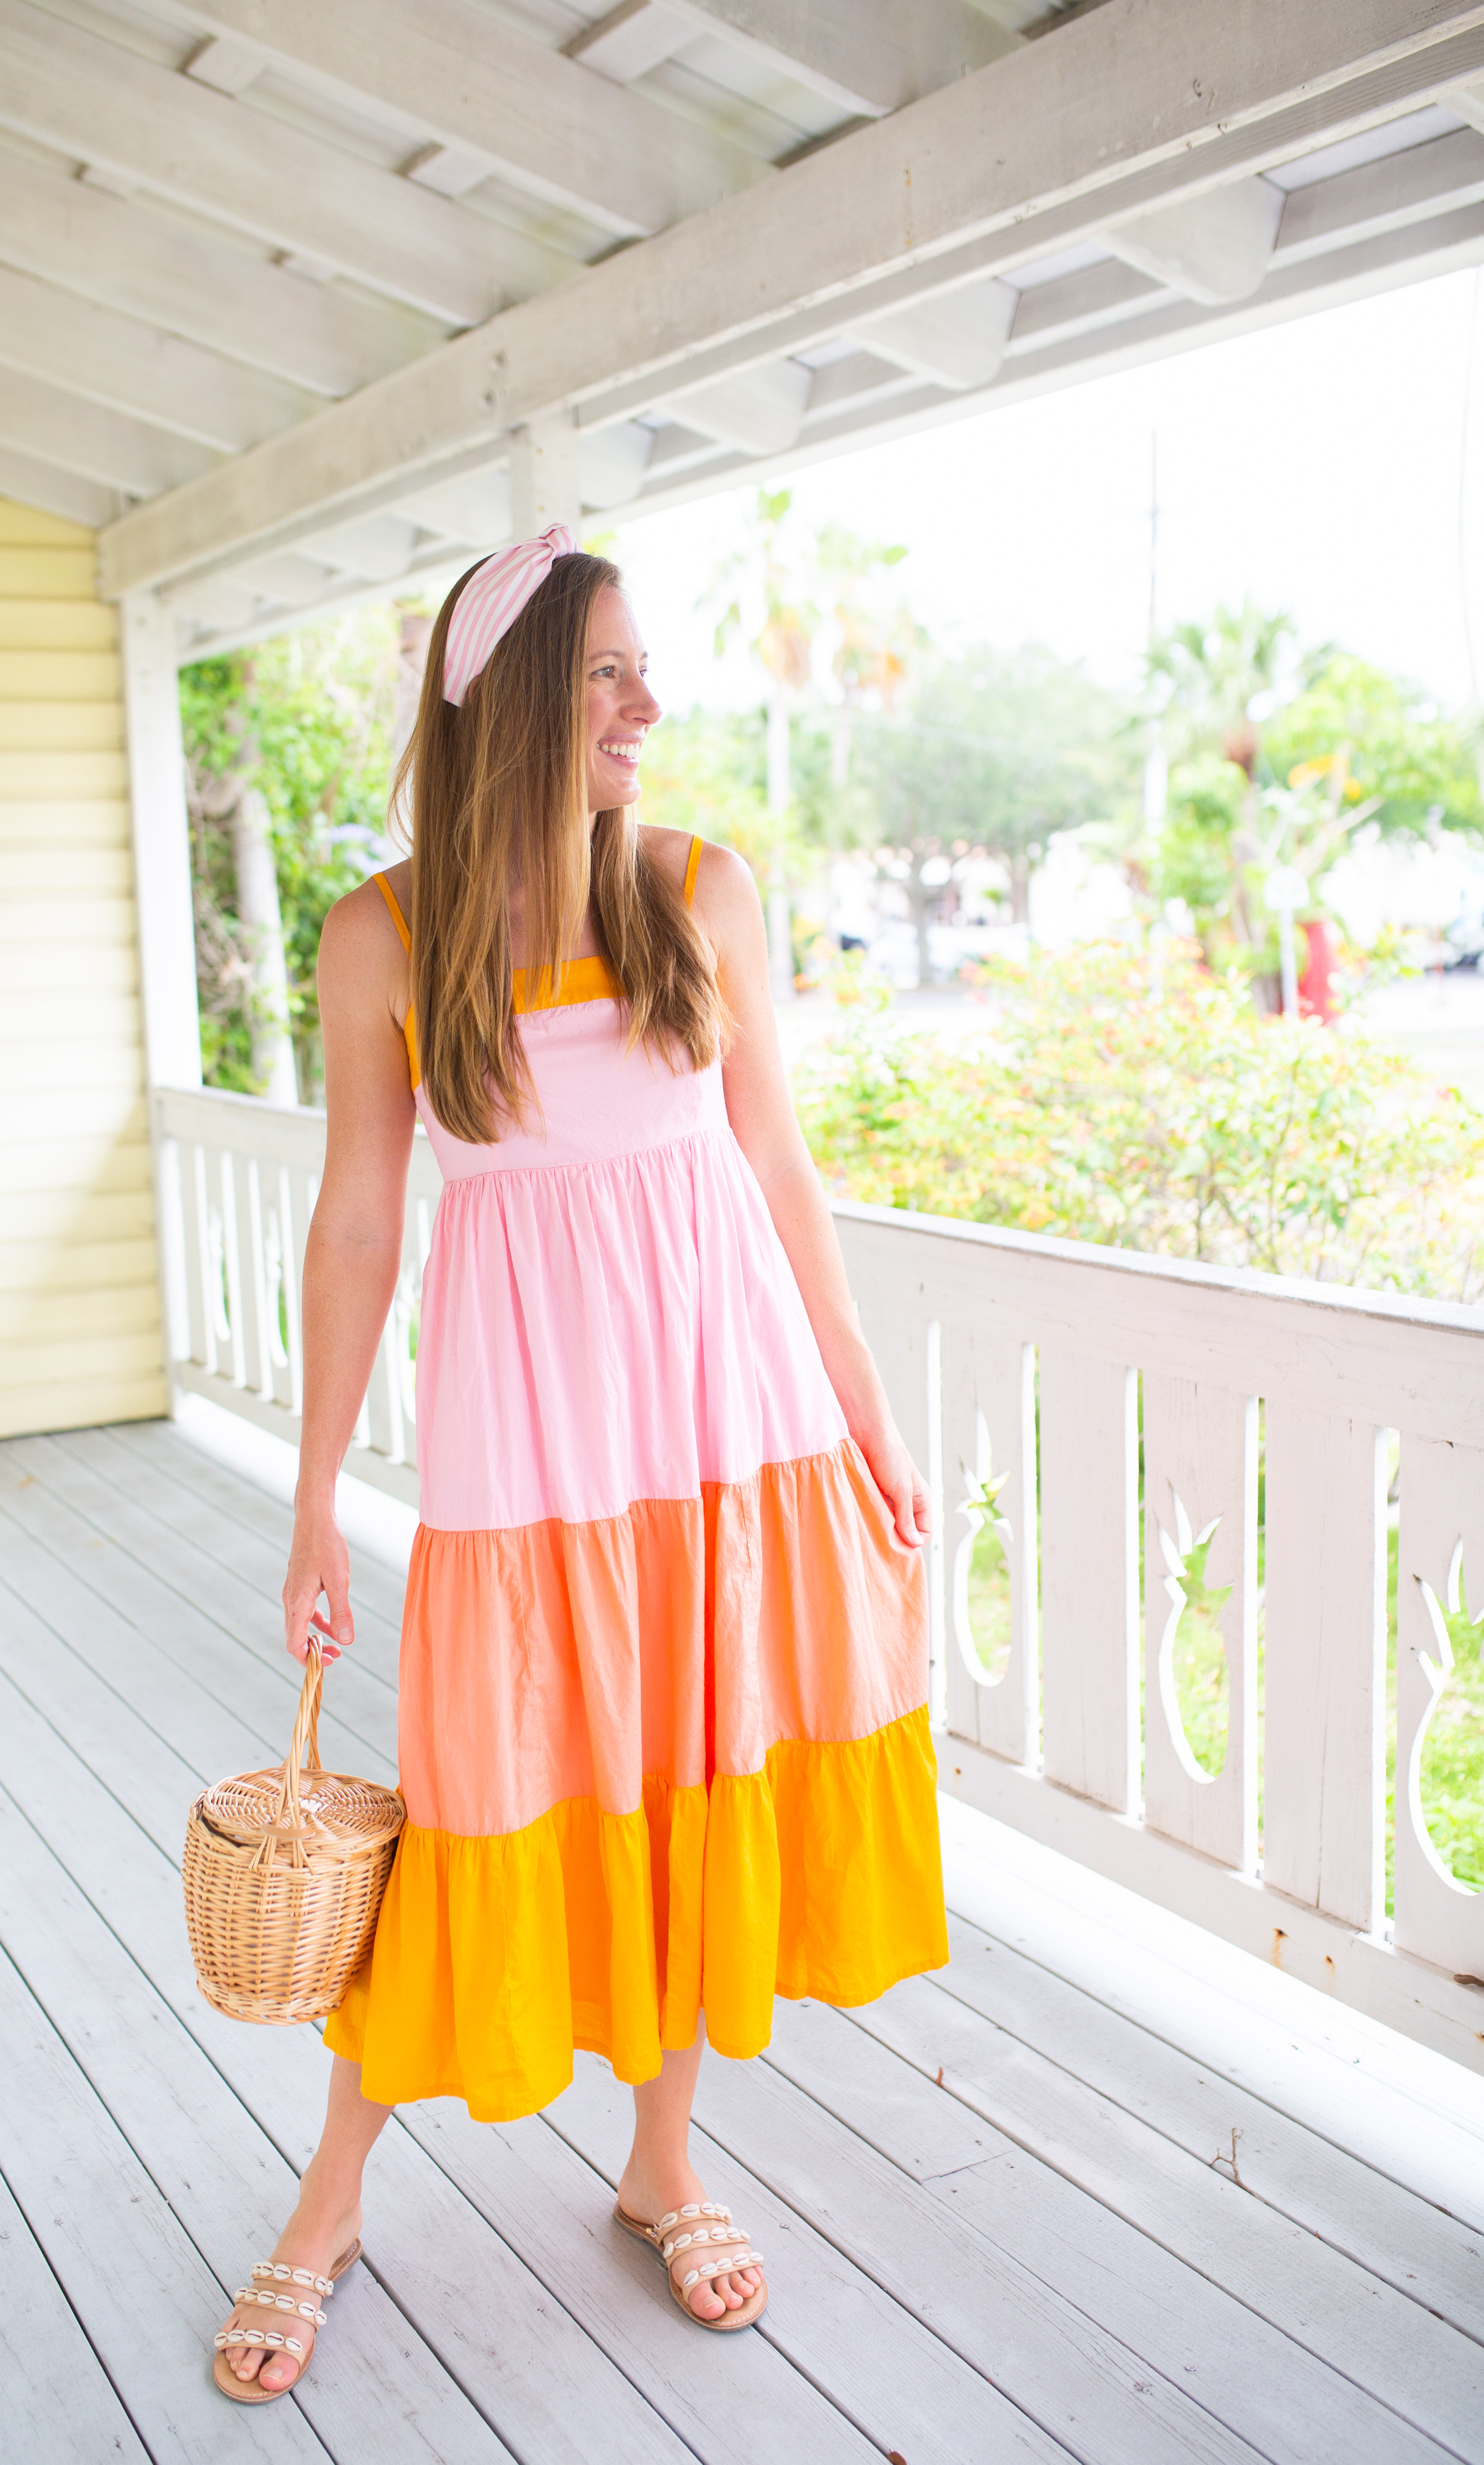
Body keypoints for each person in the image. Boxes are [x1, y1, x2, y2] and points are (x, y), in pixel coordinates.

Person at [213, 527, 948, 2402]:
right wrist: (312, 1500)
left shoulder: (700, 887)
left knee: (690, 1780)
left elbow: (777, 1167)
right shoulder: (382, 932)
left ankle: (660, 2161)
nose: (647, 705)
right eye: (608, 673)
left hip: (727, 1434)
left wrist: (857, 1401)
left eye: (644, 670)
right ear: (521, 698)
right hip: (527, 1458)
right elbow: (359, 1224)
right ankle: (330, 2201)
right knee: (480, 1807)